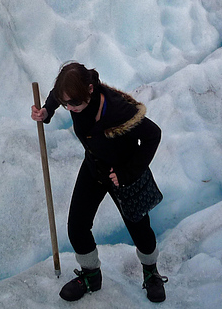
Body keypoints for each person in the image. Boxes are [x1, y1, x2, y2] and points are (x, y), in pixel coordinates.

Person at [31, 62, 168, 303]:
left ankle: (151, 274)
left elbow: (153, 135)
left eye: (73, 103)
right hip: (95, 167)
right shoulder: (72, 95)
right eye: (66, 104)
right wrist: (47, 111)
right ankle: (90, 276)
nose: (70, 108)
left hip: (124, 174)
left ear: (90, 90)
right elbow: (57, 94)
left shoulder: (117, 111)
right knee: (77, 226)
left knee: (140, 230)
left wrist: (128, 172)